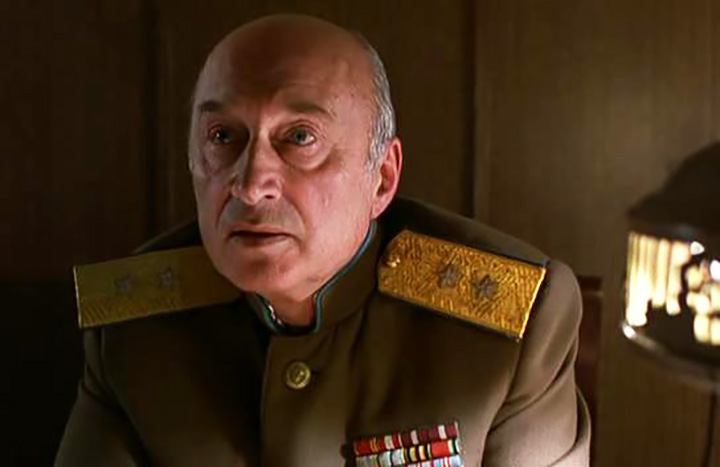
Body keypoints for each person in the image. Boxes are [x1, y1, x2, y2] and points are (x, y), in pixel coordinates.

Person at [57, 14, 590, 466]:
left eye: (299, 137)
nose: (250, 183)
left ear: (381, 178)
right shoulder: (133, 329)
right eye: (222, 136)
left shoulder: (513, 325)